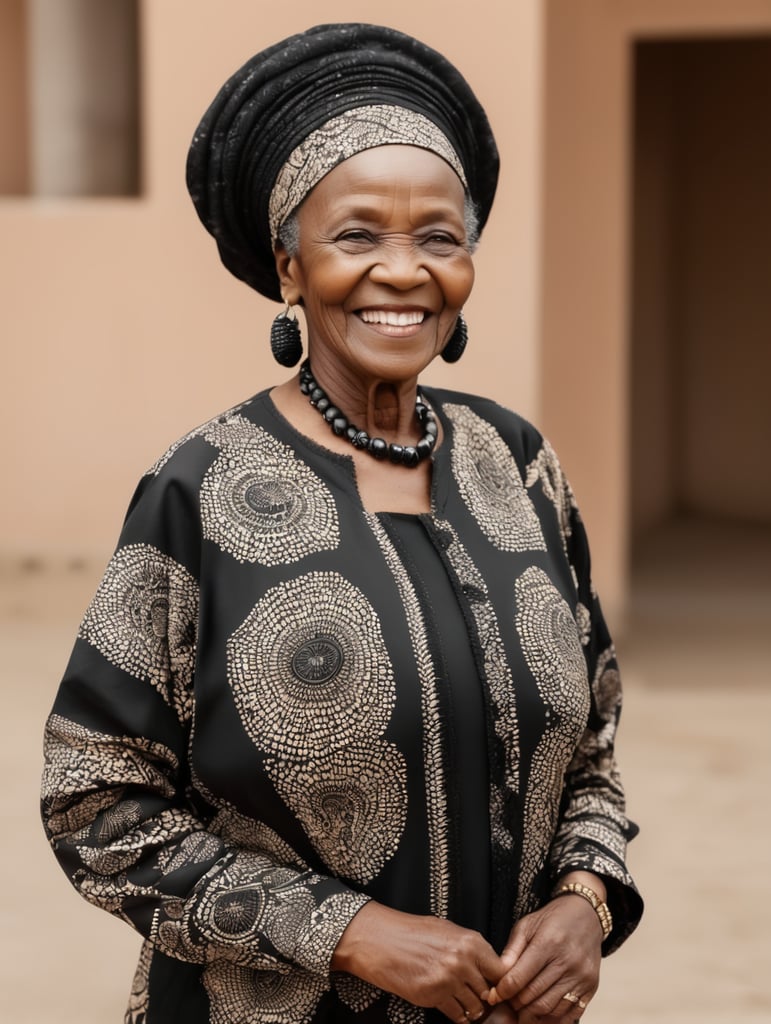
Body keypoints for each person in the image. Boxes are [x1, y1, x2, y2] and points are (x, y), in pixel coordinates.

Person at [41, 23, 642, 1024]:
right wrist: (351, 931)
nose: (404, 270)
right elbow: (95, 807)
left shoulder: (519, 466)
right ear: (289, 266)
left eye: (439, 237)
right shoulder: (202, 490)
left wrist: (586, 898)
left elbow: (595, 746)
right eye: (357, 234)